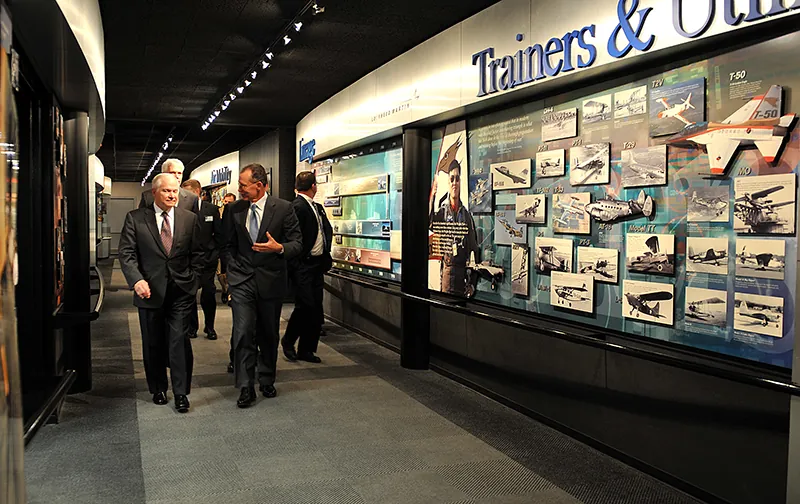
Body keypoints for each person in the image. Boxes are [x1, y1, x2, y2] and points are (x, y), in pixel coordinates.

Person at [118, 173, 203, 413]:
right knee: (153, 343)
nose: (172, 195)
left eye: (175, 191)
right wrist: (136, 280)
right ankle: (157, 388)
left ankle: (181, 393)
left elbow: (198, 253)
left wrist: (194, 280)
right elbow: (127, 253)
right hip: (149, 292)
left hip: (181, 291)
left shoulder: (189, 219)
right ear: (154, 192)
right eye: (166, 191)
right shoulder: (135, 218)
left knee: (179, 342)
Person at [221, 163, 302, 408]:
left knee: (268, 334)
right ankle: (245, 386)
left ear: (259, 185)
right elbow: (227, 245)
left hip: (271, 281)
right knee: (243, 331)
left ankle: (266, 377)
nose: (240, 189)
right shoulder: (234, 209)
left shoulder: (284, 208)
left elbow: (297, 243)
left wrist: (279, 248)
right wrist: (232, 273)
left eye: (243, 185)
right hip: (242, 282)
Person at [282, 171, 333, 363]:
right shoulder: (296, 207)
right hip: (303, 265)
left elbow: (323, 231)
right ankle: (288, 341)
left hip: (317, 265)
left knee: (315, 309)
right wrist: (295, 264)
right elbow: (292, 237)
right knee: (305, 306)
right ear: (314, 186)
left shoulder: (317, 207)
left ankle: (307, 349)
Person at [429, 159, 479, 295]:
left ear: (460, 182)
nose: (454, 183)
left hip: (462, 277)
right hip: (446, 275)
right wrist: (433, 195)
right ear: (448, 183)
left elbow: (475, 250)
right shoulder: (442, 213)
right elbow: (429, 222)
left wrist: (473, 285)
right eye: (451, 179)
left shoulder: (467, 216)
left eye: (457, 179)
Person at [181, 179, 221, 340]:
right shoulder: (181, 209)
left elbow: (219, 234)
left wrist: (214, 254)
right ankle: (192, 327)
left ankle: (210, 327)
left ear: (197, 192)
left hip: (208, 259)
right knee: (189, 295)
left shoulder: (211, 210)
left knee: (209, 293)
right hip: (188, 261)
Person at [218, 193, 236, 304]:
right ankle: (225, 289)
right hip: (221, 246)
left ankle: (229, 292)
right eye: (226, 202)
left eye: (230, 202)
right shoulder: (218, 211)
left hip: (231, 246)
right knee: (221, 273)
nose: (227, 204)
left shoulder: (236, 212)